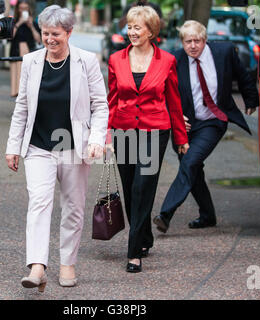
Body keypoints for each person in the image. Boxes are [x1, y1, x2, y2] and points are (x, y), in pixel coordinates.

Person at [5, 5, 108, 290]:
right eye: (46, 33)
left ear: (69, 33)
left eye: (56, 34)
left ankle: (67, 264)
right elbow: (22, 106)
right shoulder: (31, 61)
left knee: (73, 208)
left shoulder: (86, 61)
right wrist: (13, 146)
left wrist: (97, 138)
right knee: (39, 203)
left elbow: (100, 104)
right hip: (38, 145)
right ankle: (37, 266)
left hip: (75, 147)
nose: (50, 39)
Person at [153, 20, 259, 233]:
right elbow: (161, 90)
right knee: (193, 169)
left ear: (205, 39)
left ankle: (166, 214)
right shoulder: (174, 59)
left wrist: (250, 100)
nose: (192, 46)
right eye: (187, 41)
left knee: (190, 162)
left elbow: (243, 75)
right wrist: (173, 115)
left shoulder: (224, 52)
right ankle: (208, 215)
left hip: (213, 120)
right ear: (181, 42)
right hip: (185, 125)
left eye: (197, 41)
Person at [107, 6, 189, 273]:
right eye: (129, 27)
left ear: (151, 31)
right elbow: (111, 101)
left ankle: (133, 253)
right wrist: (106, 133)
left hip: (155, 131)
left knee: (143, 188)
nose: (132, 32)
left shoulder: (166, 61)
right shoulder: (116, 60)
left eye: (137, 27)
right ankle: (144, 237)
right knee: (131, 189)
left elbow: (174, 103)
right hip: (123, 130)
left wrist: (181, 137)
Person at [9, 0, 41, 97]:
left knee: (28, 82)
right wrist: (19, 23)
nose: (23, 11)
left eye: (25, 9)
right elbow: (10, 37)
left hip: (30, 54)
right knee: (16, 82)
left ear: (29, 9)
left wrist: (31, 27)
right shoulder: (13, 22)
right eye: (21, 8)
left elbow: (39, 40)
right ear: (17, 9)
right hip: (16, 53)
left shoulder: (34, 23)